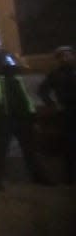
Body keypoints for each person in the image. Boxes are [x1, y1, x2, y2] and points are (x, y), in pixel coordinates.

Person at [0, 50, 51, 190]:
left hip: (22, 118)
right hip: (2, 120)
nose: (9, 63)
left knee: (30, 149)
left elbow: (25, 97)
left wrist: (31, 113)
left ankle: (38, 176)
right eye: (6, 60)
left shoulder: (15, 77)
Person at [38, 46, 76, 184]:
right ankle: (70, 176)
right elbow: (43, 90)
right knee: (70, 145)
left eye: (69, 55)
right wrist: (52, 104)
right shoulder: (55, 74)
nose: (66, 58)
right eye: (63, 56)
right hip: (67, 111)